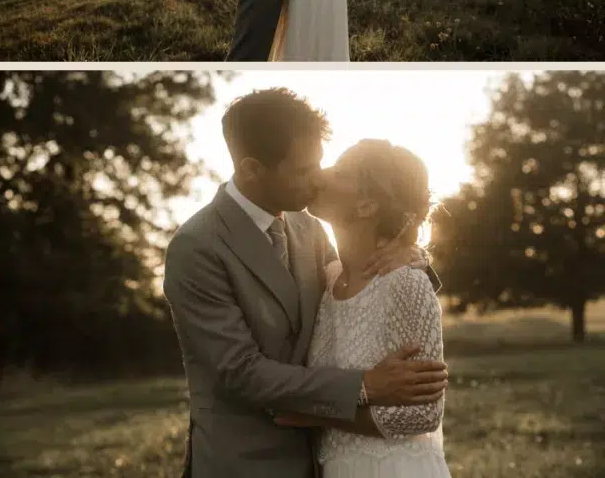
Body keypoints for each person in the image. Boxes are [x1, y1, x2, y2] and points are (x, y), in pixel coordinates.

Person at [163, 89, 447, 478]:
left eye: (320, 163)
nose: (318, 178)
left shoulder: (308, 227)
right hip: (246, 463)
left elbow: (361, 281)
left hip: (324, 460)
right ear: (252, 169)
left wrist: (411, 251)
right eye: (303, 170)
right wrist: (364, 385)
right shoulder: (197, 247)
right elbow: (239, 371)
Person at [288, 140, 452, 477]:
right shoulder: (327, 278)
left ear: (366, 206)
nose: (321, 175)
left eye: (339, 172)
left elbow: (423, 414)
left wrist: (316, 413)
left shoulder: (406, 283)